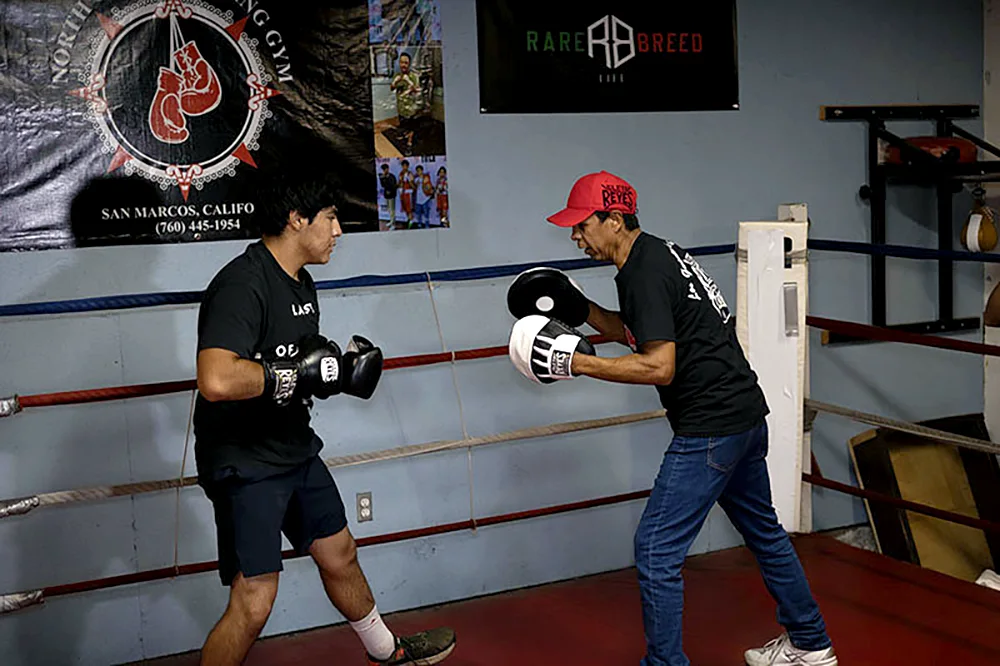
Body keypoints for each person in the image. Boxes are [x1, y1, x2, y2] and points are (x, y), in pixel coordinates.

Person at [506, 170, 837, 666]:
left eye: (581, 225)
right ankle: (812, 643)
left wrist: (578, 362)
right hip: (745, 415)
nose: (575, 236)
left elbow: (660, 365)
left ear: (613, 220)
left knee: (657, 549)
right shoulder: (660, 254)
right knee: (765, 532)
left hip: (711, 428)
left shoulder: (641, 271)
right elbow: (645, 332)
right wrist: (584, 310)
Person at [192, 174, 456, 666]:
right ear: (297, 220)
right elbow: (217, 379)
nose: (338, 231)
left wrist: (334, 376)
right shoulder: (242, 284)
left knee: (340, 553)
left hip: (292, 446)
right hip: (245, 460)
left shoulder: (301, 283)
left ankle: (386, 651)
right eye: (331, 218)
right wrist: (297, 371)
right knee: (254, 601)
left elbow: (289, 373)